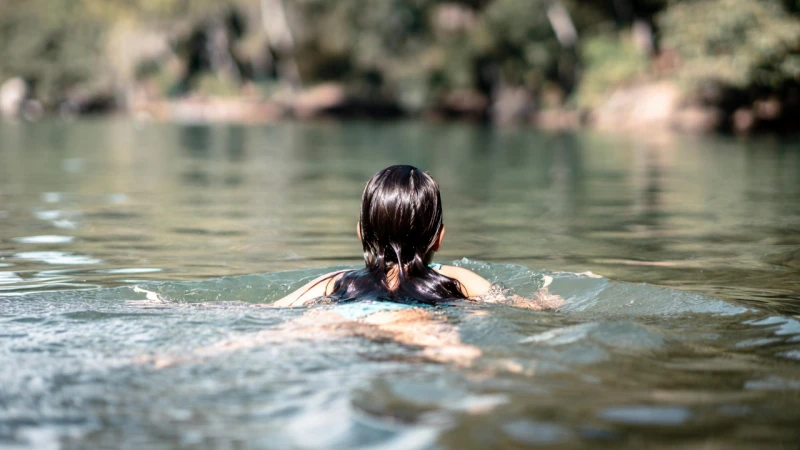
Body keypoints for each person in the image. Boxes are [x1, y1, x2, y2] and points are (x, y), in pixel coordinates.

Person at [273, 165, 561, 311]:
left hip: (348, 322)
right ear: (439, 237)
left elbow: (269, 311)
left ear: (360, 232)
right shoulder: (456, 278)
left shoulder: (337, 282)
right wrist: (545, 297)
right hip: (417, 324)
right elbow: (526, 307)